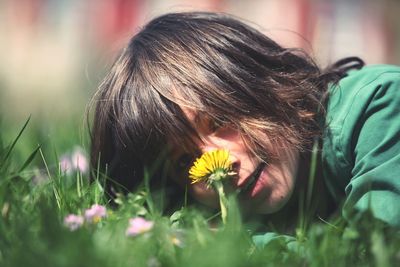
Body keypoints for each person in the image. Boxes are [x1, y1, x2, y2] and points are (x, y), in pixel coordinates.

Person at [89, 12, 400, 236]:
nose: (219, 164)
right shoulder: (231, 212)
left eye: (220, 121)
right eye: (185, 161)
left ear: (263, 81)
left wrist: (241, 246)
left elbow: (377, 248)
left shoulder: (380, 103)